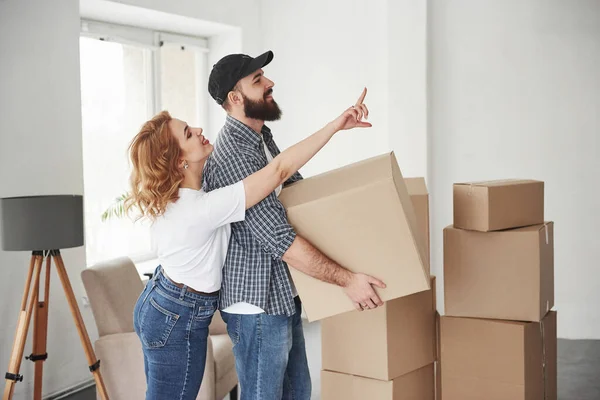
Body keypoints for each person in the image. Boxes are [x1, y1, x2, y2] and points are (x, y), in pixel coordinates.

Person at [126, 87, 375, 398]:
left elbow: (280, 172)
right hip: (176, 314)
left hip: (165, 299)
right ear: (179, 162)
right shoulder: (200, 208)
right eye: (189, 134)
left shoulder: (189, 195)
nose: (200, 130)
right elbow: (279, 170)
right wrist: (336, 125)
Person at [203, 50, 387, 400]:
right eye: (258, 80)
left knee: (298, 392)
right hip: (256, 306)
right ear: (235, 98)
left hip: (281, 295)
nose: (270, 83)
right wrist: (347, 280)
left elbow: (298, 194)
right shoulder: (234, 155)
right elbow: (280, 238)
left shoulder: (260, 137)